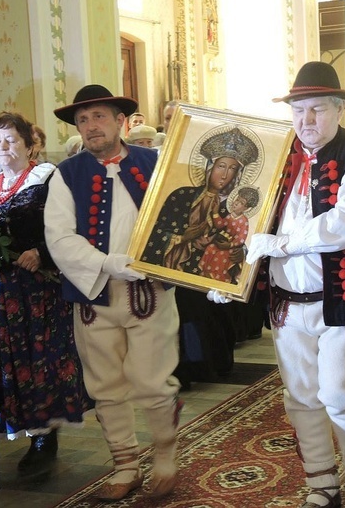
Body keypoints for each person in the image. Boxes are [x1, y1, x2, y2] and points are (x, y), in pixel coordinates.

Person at [245, 61, 345, 508]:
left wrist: (281, 244)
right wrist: (230, 270)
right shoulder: (277, 157)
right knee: (301, 398)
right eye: (299, 111)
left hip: (338, 300)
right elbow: (243, 217)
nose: (306, 121)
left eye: (317, 109)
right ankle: (321, 483)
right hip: (285, 304)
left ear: (339, 109)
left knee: (340, 395)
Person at [45, 84, 182, 500]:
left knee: (152, 379)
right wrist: (105, 263)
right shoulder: (65, 174)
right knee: (104, 383)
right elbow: (59, 237)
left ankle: (164, 455)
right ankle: (124, 463)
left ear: (120, 121)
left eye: (98, 116)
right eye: (82, 120)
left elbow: (179, 216)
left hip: (150, 292)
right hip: (93, 294)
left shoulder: (155, 162)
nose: (90, 126)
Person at [0, 112, 91, 476]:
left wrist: (41, 250)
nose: (3, 147)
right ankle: (17, 422)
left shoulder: (47, 178)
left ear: (30, 145)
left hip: (38, 285)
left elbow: (70, 224)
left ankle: (44, 434)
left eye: (11, 140)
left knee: (38, 355)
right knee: (6, 355)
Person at [141, 126, 259, 275]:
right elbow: (154, 233)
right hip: (174, 275)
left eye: (232, 169)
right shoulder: (182, 196)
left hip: (213, 272)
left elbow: (241, 236)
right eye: (221, 166)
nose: (225, 175)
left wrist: (241, 252)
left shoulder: (234, 207)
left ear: (238, 175)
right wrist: (182, 237)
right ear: (209, 168)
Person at [199, 185, 260, 283]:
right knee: (211, 248)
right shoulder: (229, 216)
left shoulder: (244, 221)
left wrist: (230, 244)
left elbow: (241, 238)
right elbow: (220, 225)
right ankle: (206, 271)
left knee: (223, 255)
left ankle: (218, 276)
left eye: (241, 203)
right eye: (237, 199)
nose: (236, 203)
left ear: (247, 208)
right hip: (223, 241)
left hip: (231, 247)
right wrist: (215, 213)